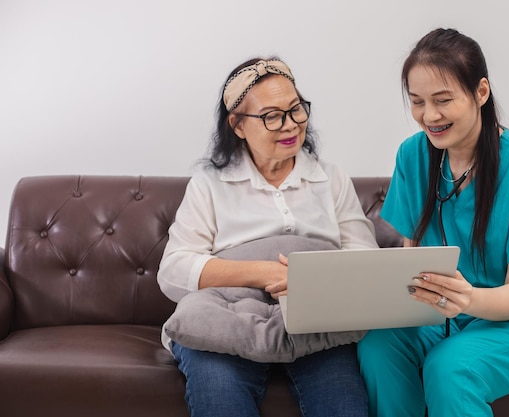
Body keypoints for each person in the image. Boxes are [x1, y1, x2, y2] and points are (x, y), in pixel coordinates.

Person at [357, 28, 509, 417]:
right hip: (445, 313)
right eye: (417, 102)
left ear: (480, 92)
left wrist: (469, 299)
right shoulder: (413, 155)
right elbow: (411, 255)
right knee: (378, 347)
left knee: (451, 367)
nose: (429, 116)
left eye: (443, 100)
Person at [157, 57, 377, 417]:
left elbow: (364, 257)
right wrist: (266, 273)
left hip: (315, 318)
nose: (290, 125)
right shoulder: (209, 185)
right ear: (238, 125)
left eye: (296, 110)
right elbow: (173, 270)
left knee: (342, 405)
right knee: (220, 399)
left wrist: (314, 279)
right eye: (271, 116)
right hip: (228, 319)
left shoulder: (330, 178)